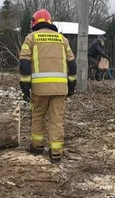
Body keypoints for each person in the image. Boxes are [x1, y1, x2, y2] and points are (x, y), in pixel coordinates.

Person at [19, 9, 77, 163]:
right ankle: (56, 152)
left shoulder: (31, 38)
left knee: (38, 116)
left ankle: (37, 147)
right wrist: (71, 84)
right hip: (60, 89)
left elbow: (24, 64)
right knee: (57, 119)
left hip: (39, 89)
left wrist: (25, 86)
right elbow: (73, 64)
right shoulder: (62, 40)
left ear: (34, 23)